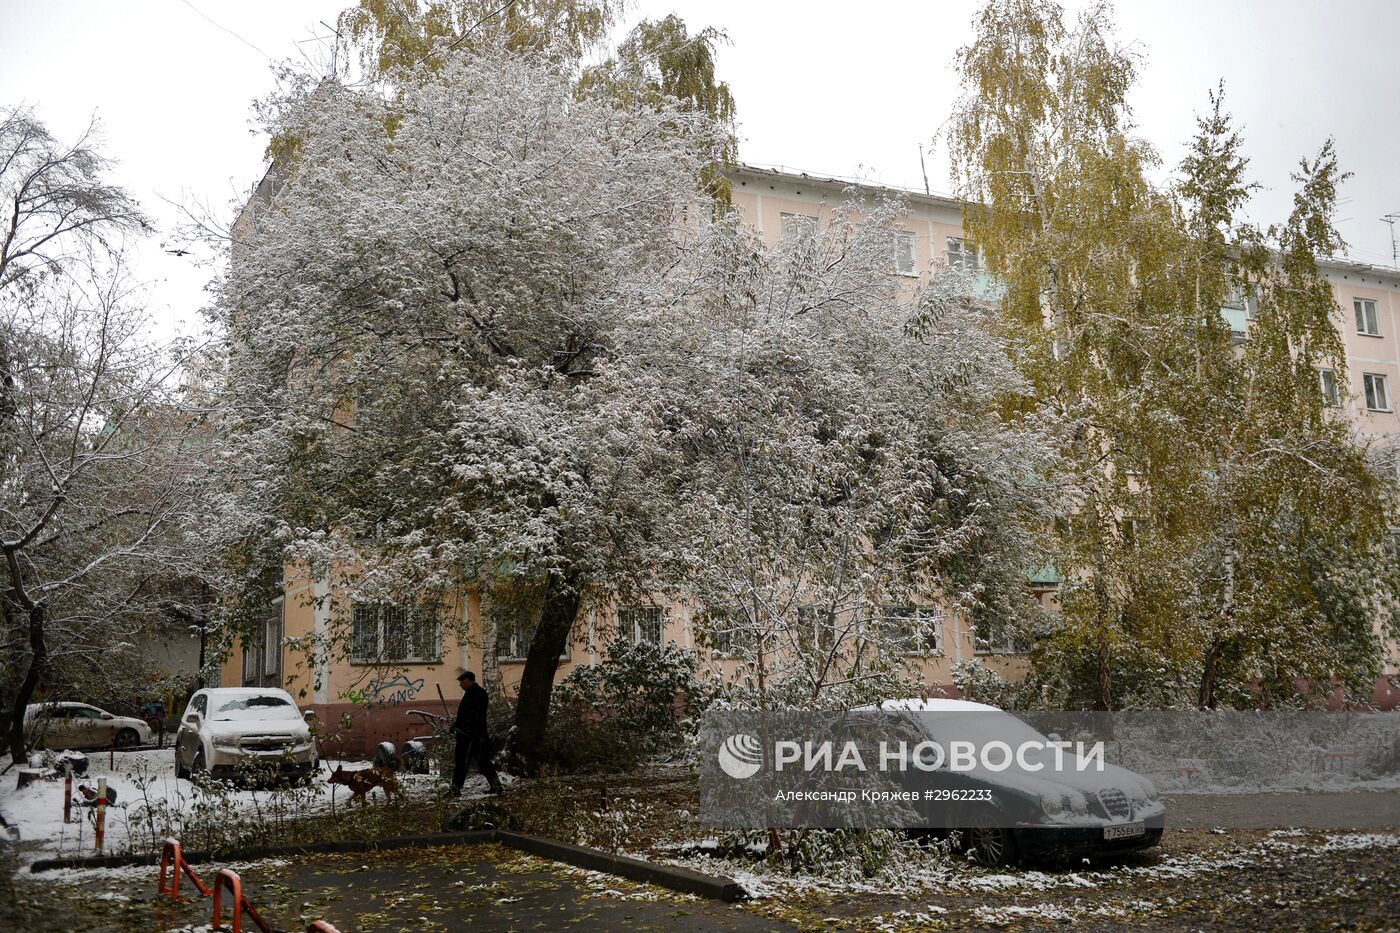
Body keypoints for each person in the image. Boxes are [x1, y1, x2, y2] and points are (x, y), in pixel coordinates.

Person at [450, 670, 503, 796]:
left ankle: (455, 790)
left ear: (469, 681)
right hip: (469, 735)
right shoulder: (470, 693)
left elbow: (476, 716)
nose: (461, 685)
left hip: (472, 736)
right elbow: (465, 715)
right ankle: (496, 786)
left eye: (462, 682)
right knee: (480, 762)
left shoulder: (478, 694)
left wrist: (470, 732)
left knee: (465, 762)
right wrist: (456, 725)